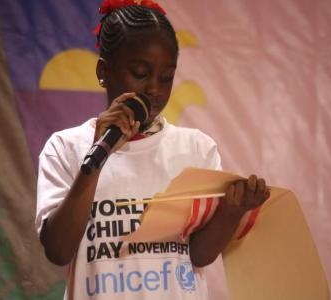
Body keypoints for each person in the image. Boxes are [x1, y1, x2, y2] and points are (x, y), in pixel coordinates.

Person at [35, 1, 270, 299]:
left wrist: (231, 213)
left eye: (166, 77)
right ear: (103, 71)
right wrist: (95, 157)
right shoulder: (65, 147)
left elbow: (198, 256)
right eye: (139, 72)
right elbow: (57, 250)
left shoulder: (196, 148)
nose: (154, 90)